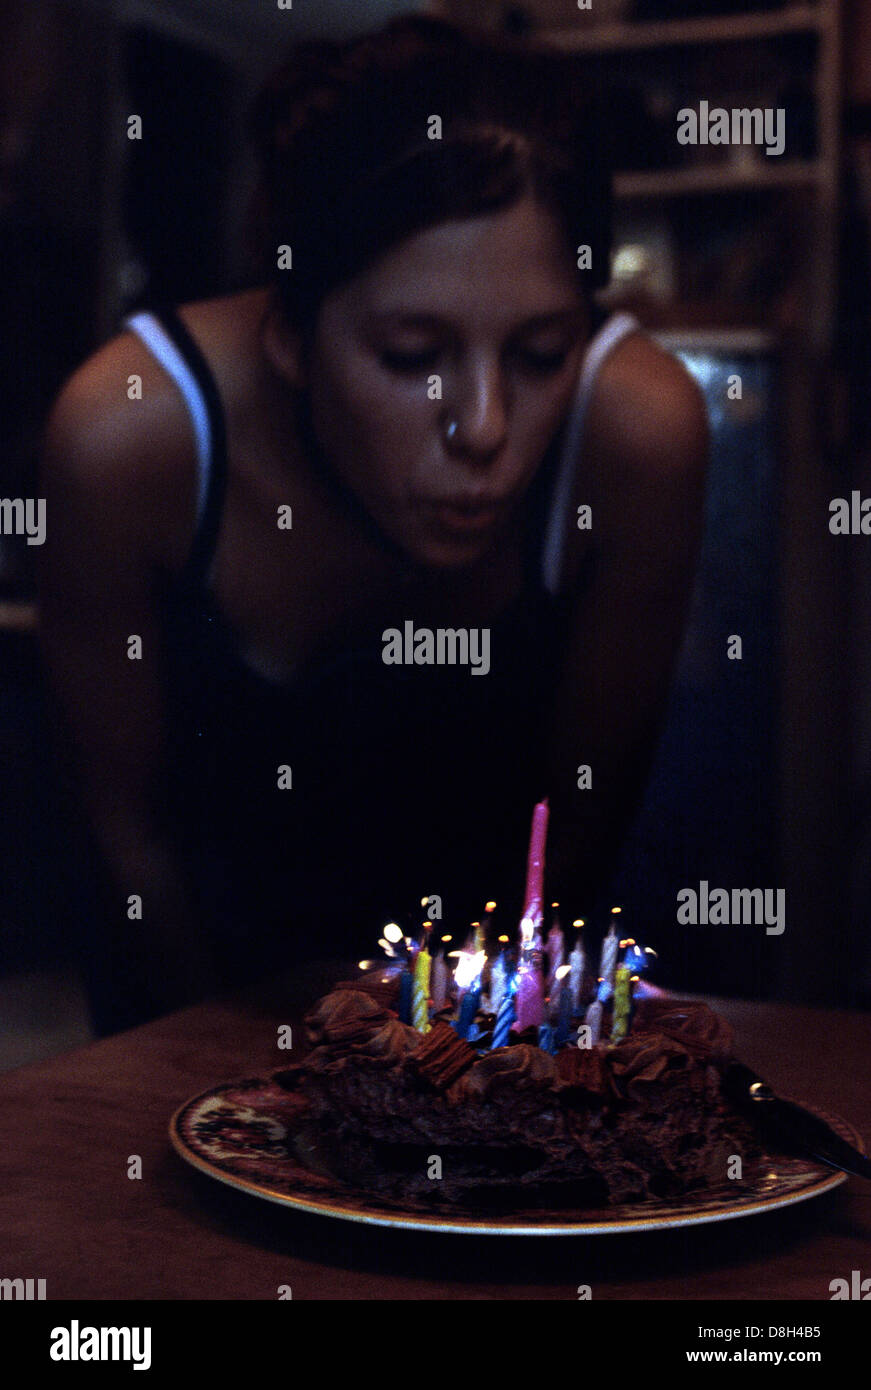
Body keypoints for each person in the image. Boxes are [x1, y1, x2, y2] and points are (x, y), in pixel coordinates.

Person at [37, 16, 708, 1036]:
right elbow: (125, 839)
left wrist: (465, 1088)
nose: (483, 427)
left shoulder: (636, 436)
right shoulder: (129, 433)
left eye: (538, 353)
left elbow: (574, 838)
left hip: (478, 1033)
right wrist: (229, 1098)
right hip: (179, 1011)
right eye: (409, 355)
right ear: (292, 334)